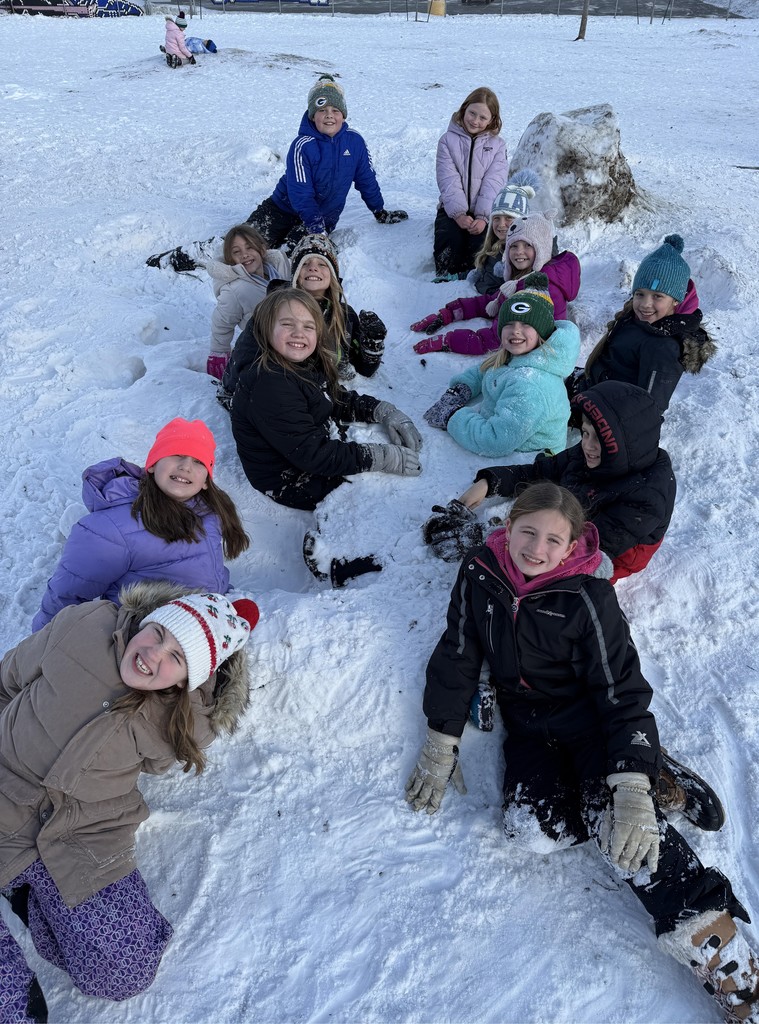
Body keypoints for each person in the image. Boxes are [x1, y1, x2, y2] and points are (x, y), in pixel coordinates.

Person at [405, 482, 758, 1024]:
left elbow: (622, 692)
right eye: (528, 532)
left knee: (621, 834)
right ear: (508, 526)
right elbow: (457, 650)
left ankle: (731, 963)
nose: (537, 549)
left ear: (571, 547)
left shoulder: (587, 598)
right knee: (532, 831)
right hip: (530, 730)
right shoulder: (480, 572)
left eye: (554, 540)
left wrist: (630, 787)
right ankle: (639, 770)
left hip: (592, 725)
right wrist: (440, 736)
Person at [1, 585, 258, 1021]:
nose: (153, 654)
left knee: (124, 970)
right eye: (157, 633)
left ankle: (27, 893)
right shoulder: (84, 627)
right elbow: (6, 681)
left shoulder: (183, 718)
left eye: (177, 657)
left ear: (188, 681)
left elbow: (191, 735)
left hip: (79, 833)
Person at [423, 380, 676, 584]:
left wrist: (491, 538)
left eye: (598, 439)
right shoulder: (591, 454)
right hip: (580, 508)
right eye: (585, 434)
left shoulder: (648, 495)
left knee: (535, 572)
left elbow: (581, 551)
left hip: (609, 552)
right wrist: (489, 483)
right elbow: (539, 472)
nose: (587, 446)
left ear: (624, 446)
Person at [32, 419, 249, 631]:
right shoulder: (112, 529)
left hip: (191, 634)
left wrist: (224, 600)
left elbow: (204, 569)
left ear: (205, 482)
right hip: (140, 646)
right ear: (153, 465)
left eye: (198, 461)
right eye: (177, 454)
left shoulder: (208, 514)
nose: (186, 467)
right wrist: (42, 648)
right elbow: (66, 594)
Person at [231, 288, 421, 513]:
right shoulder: (269, 383)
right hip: (289, 477)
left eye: (308, 326)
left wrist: (382, 410)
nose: (298, 333)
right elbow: (313, 455)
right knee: (378, 502)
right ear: (265, 329)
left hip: (306, 449)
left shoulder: (303, 362)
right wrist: (380, 457)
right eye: (287, 324)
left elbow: (332, 397)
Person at [422, 273, 580, 459]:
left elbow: (494, 441)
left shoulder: (531, 386)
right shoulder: (517, 356)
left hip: (526, 463)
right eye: (509, 323)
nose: (516, 330)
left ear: (542, 332)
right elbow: (486, 370)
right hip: (509, 443)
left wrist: (452, 416)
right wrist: (462, 388)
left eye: (526, 324)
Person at [246, 74, 408, 253]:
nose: (329, 116)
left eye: (335, 110)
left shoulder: (355, 142)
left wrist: (379, 210)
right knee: (248, 244)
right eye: (322, 110)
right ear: (313, 115)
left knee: (293, 252)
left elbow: (366, 180)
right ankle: (213, 251)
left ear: (343, 115)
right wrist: (315, 226)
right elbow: (301, 193)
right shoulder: (302, 145)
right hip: (281, 209)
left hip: (323, 218)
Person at [570, 234, 716, 415]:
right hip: (594, 390)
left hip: (606, 413)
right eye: (640, 294)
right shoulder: (636, 319)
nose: (645, 304)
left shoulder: (664, 347)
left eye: (657, 296)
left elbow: (648, 410)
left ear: (676, 300)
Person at [412, 211, 580, 356]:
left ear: (542, 249)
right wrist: (449, 313)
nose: (519, 252)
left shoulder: (538, 291)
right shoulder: (524, 278)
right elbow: (493, 301)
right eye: (514, 246)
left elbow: (494, 339)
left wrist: (448, 341)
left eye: (527, 245)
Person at [433, 87, 508, 281]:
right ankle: (446, 277)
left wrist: (483, 217)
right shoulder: (447, 141)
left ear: (492, 120)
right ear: (464, 109)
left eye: (483, 117)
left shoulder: (497, 146)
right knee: (450, 239)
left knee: (482, 246)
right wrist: (458, 214)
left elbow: (494, 182)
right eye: (472, 113)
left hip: (484, 210)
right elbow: (448, 179)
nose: (475, 121)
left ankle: (476, 277)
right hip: (452, 208)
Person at [203, 224, 291, 381]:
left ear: (261, 249)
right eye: (237, 252)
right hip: (264, 350)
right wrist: (219, 352)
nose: (245, 255)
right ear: (231, 259)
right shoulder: (235, 290)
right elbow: (222, 322)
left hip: (293, 337)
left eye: (250, 247)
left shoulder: (279, 267)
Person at [467, 170, 540, 295]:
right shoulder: (495, 247)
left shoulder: (523, 253)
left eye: (508, 218)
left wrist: (484, 288)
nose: (501, 224)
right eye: (496, 218)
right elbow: (485, 270)